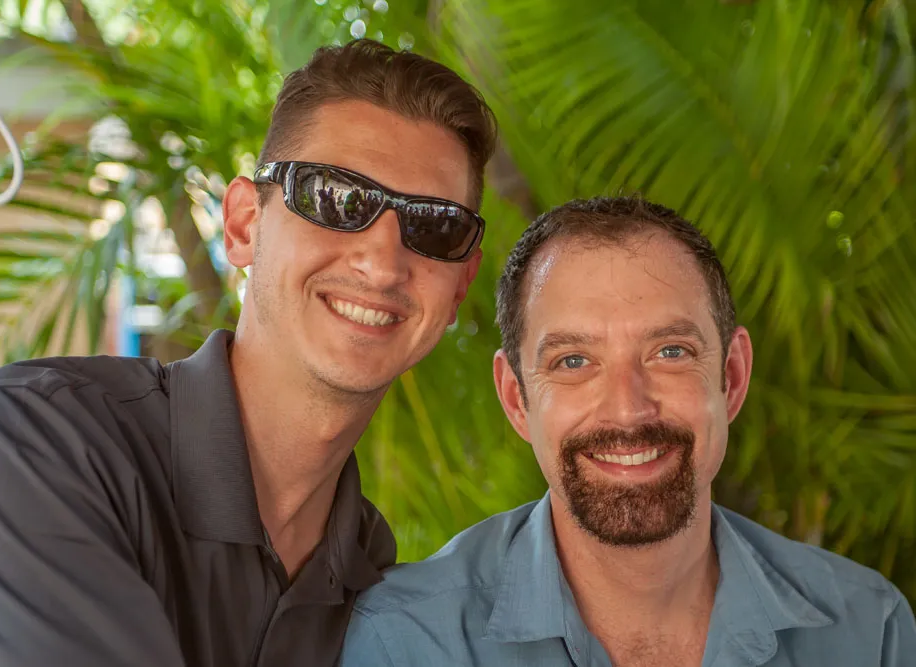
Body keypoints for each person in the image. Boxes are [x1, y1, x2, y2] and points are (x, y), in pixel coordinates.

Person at [0, 39, 496, 667]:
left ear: (459, 286)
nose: (382, 265)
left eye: (435, 227)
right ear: (244, 224)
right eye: (335, 199)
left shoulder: (370, 573)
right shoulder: (34, 443)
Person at [341, 196, 916, 666]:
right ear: (516, 398)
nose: (627, 410)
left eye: (670, 351)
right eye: (573, 361)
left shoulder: (870, 630)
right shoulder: (407, 643)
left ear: (732, 377)